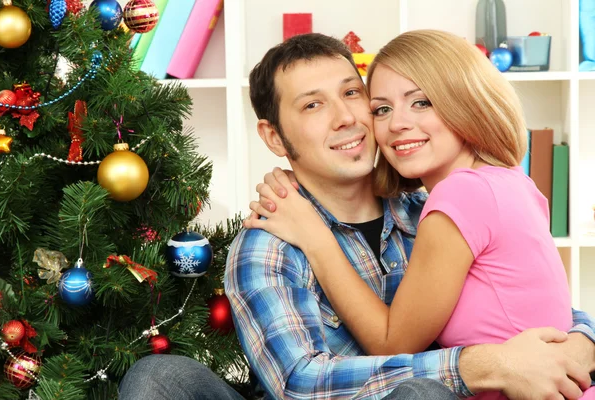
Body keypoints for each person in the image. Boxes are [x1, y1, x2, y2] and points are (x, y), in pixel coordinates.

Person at [118, 32, 595, 400]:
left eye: (352, 94)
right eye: (312, 105)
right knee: (159, 378)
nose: (345, 117)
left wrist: (581, 342)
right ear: (275, 139)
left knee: (421, 395)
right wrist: (479, 365)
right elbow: (298, 383)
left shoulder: (429, 209)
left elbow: (520, 299)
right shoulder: (269, 243)